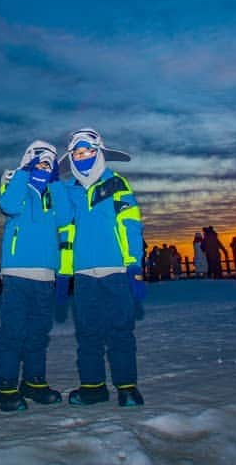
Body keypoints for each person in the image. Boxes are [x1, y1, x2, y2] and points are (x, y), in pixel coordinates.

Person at [58, 128, 145, 408]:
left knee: (120, 329)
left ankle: (127, 387)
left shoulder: (116, 183)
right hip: (83, 273)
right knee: (87, 332)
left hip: (115, 269)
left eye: (88, 152)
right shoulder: (69, 190)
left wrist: (134, 265)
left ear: (99, 152)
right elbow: (66, 233)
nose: (82, 157)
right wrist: (64, 272)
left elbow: (130, 224)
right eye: (77, 153)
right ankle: (93, 387)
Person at [0, 140, 70, 412]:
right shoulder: (15, 182)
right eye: (39, 160)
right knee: (13, 332)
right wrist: (25, 172)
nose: (44, 165)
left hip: (45, 274)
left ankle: (34, 382)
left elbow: (65, 218)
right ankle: (5, 386)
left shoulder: (52, 191)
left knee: (38, 332)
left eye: (49, 163)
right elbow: (10, 205)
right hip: (17, 273)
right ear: (28, 160)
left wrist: (57, 182)